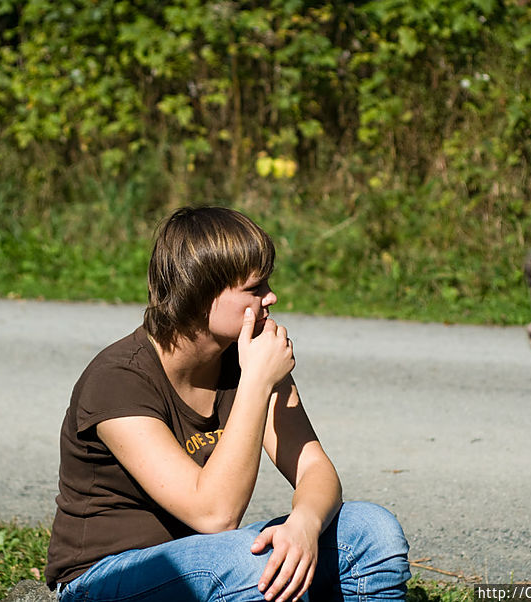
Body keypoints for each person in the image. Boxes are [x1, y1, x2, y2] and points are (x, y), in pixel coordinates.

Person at [45, 206, 410, 602]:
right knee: (252, 567)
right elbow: (216, 515)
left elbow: (314, 468)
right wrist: (256, 380)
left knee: (372, 530)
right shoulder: (118, 379)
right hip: (103, 578)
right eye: (255, 288)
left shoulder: (246, 357)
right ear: (201, 295)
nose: (272, 296)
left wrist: (304, 522)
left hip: (210, 561)